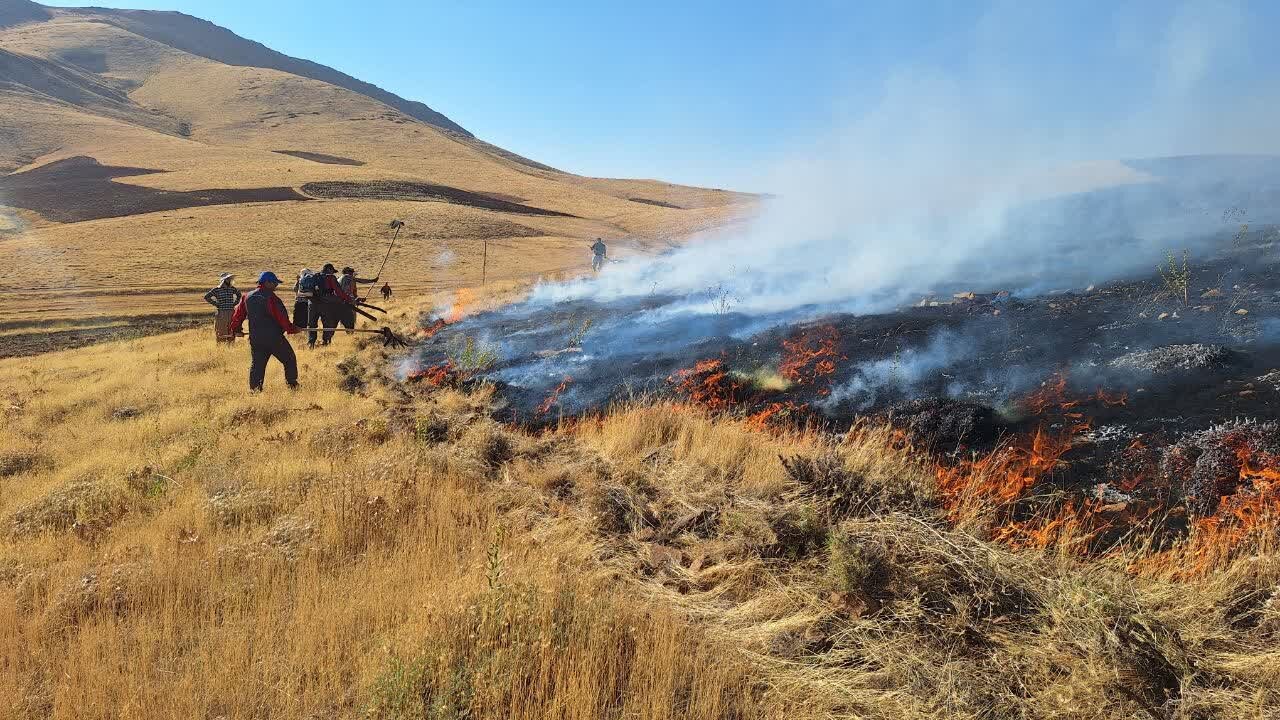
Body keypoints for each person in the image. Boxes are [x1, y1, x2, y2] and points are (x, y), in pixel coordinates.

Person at [229, 271, 301, 392]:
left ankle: (255, 390)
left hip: (256, 338)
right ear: (267, 282)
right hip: (274, 338)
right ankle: (292, 385)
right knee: (289, 359)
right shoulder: (271, 298)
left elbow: (238, 316)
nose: (276, 286)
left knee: (257, 365)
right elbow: (281, 318)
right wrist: (292, 329)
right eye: (274, 283)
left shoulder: (247, 296)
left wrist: (236, 330)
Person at [307, 263, 353, 347]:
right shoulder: (330, 278)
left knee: (312, 324)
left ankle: (311, 343)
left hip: (312, 303)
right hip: (325, 303)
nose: (333, 273)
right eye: (332, 271)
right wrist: (349, 299)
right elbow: (339, 292)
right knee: (327, 323)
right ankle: (326, 342)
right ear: (329, 269)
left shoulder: (315, 276)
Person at [203, 273, 241, 343]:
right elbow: (206, 297)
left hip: (231, 311)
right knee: (221, 329)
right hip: (221, 312)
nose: (229, 280)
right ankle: (221, 347)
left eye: (229, 279)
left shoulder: (232, 288)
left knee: (231, 328)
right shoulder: (217, 289)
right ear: (224, 280)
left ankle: (231, 345)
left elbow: (239, 294)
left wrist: (235, 303)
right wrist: (216, 304)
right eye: (228, 279)